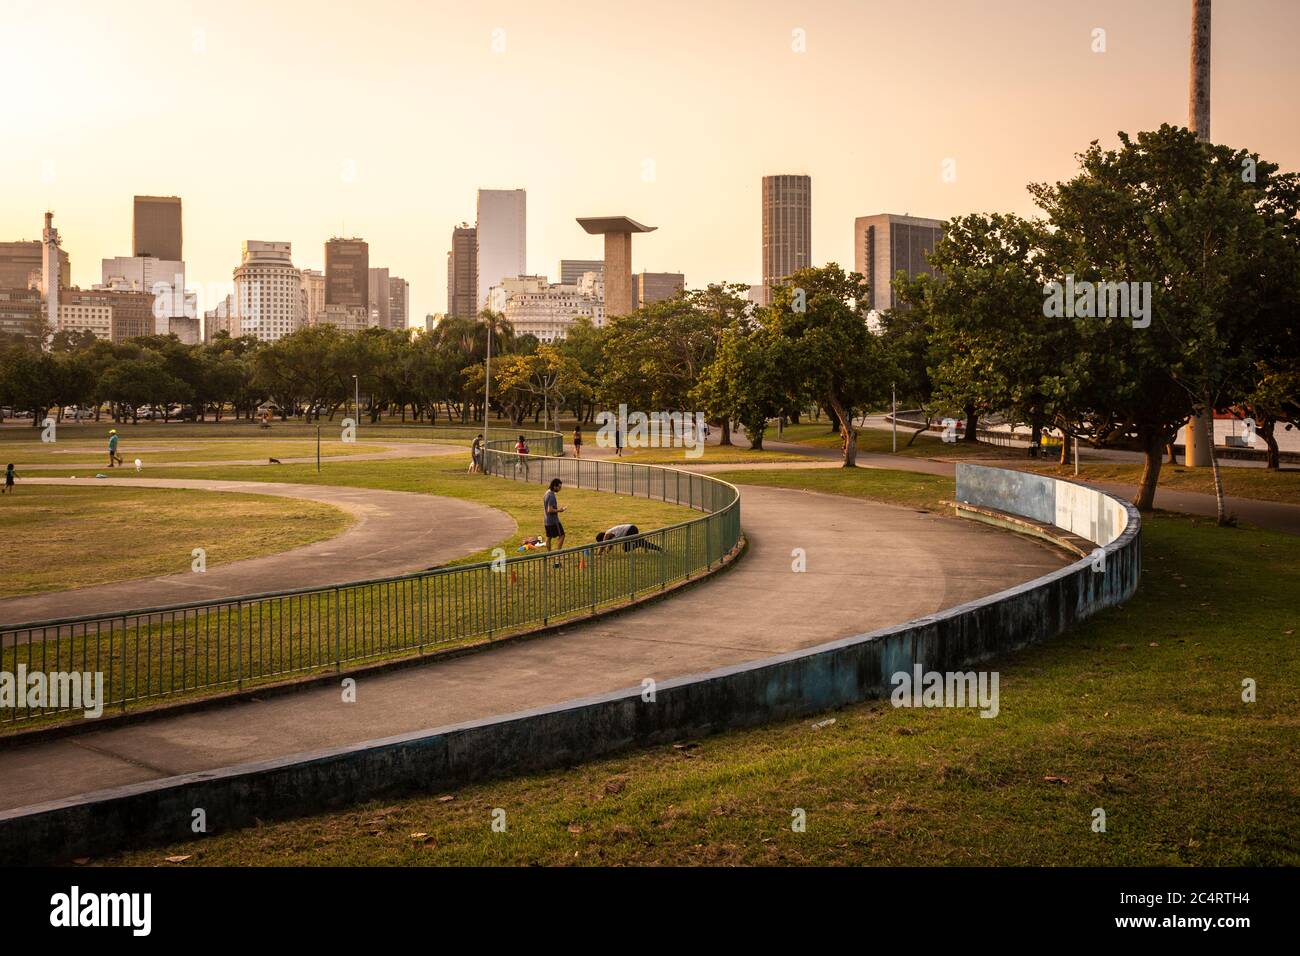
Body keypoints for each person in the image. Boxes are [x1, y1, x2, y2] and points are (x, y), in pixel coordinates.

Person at [595, 523, 663, 554]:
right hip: (632, 528)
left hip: (630, 530)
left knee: (625, 548)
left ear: (602, 538)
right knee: (643, 543)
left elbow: (603, 545)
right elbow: (610, 545)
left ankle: (639, 543)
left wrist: (599, 553)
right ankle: (660, 549)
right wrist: (607, 552)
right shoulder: (609, 534)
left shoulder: (607, 535)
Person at [543, 478, 566, 565]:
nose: (560, 489)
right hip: (553, 521)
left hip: (546, 520)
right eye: (559, 487)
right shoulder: (551, 495)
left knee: (549, 537)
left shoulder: (546, 493)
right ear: (554, 486)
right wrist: (559, 510)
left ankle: (549, 554)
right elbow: (550, 510)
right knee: (562, 535)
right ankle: (557, 555)